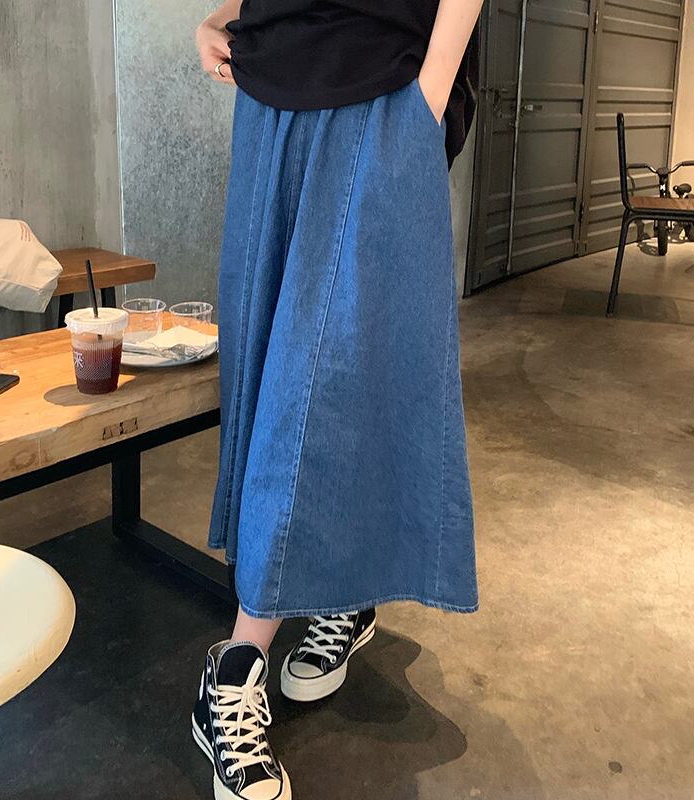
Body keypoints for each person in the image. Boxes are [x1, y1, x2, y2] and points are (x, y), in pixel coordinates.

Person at [194, 2, 483, 797]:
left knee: (318, 383)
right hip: (269, 93)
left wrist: (428, 95)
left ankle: (234, 667)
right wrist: (225, 15)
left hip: (384, 89)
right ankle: (341, 590)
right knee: (274, 369)